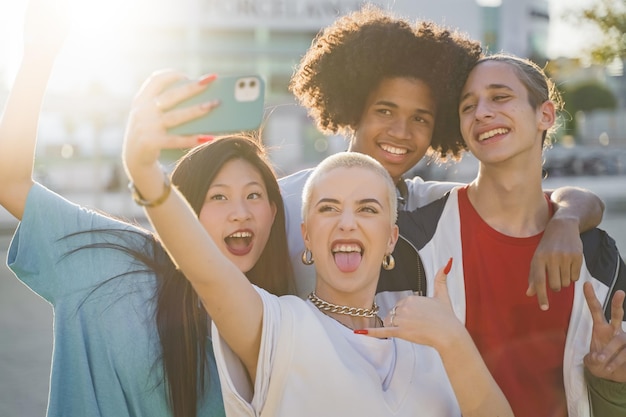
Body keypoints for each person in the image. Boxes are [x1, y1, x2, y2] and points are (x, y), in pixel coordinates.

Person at [124, 80, 515, 417]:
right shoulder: (278, 327)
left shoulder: (431, 337)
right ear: (307, 236)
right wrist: (145, 175)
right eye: (329, 208)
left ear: (390, 239)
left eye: (367, 208)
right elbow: (206, 270)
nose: (347, 222)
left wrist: (454, 341)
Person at [0, 2, 294, 416]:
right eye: (218, 196)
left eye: (254, 195)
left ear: (274, 213)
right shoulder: (117, 262)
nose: (240, 213)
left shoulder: (287, 314)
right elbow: (10, 182)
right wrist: (39, 54)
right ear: (182, 210)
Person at [280, 6, 605, 310]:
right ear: (354, 109)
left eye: (420, 119)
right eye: (385, 111)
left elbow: (566, 200)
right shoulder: (286, 200)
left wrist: (565, 222)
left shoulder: (428, 205)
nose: (401, 131)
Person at [393, 53, 626, 416]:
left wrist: (610, 380)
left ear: (545, 115)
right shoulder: (415, 239)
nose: (481, 112)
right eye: (468, 106)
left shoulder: (597, 254)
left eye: (500, 97)